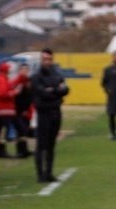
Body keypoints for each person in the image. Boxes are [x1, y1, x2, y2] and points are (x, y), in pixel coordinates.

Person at [31, 48, 69, 183]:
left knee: (52, 144)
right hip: (43, 113)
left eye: (49, 59)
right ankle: (40, 174)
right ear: (41, 60)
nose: (47, 62)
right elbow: (42, 92)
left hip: (55, 111)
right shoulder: (36, 75)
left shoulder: (56, 73)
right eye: (45, 59)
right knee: (41, 145)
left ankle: (49, 173)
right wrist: (55, 90)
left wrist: (54, 90)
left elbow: (65, 89)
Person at [0, 61, 21, 158]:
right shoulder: (1, 79)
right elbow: (1, 94)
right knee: (3, 131)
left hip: (5, 110)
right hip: (3, 110)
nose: (9, 70)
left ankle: (2, 150)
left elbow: (8, 87)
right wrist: (14, 93)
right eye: (8, 69)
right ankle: (1, 151)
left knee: (3, 131)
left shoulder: (3, 79)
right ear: (4, 70)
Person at [13, 63, 34, 158]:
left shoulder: (29, 81)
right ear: (19, 71)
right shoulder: (17, 81)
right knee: (20, 130)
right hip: (18, 110)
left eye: (26, 69)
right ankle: (19, 150)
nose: (25, 71)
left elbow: (30, 96)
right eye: (23, 69)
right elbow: (15, 96)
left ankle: (25, 149)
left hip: (27, 109)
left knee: (25, 130)